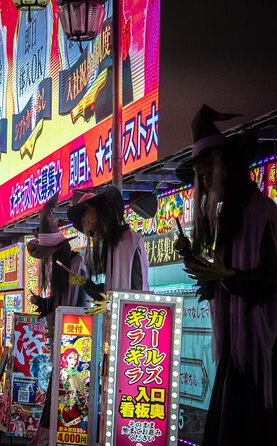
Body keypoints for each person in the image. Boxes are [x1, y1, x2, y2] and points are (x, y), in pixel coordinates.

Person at [174, 105, 277, 446]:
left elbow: (269, 283)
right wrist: (193, 258)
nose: (203, 184)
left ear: (227, 170)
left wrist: (228, 275)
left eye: (206, 176)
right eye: (200, 178)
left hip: (261, 355)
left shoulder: (264, 214)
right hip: (234, 353)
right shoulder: (226, 219)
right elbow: (217, 284)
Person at [26, 194, 88, 446]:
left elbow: (72, 307)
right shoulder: (63, 270)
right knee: (57, 393)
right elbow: (61, 305)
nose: (48, 260)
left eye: (50, 254)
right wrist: (44, 304)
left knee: (65, 395)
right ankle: (47, 436)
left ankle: (49, 438)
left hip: (74, 341)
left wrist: (49, 308)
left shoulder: (75, 265)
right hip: (63, 342)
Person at [66, 184, 150, 312]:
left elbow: (137, 292)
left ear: (102, 211)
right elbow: (109, 292)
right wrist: (85, 283)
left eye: (86, 215)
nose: (84, 222)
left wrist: (112, 305)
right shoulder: (113, 246)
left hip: (132, 325)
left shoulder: (128, 242)